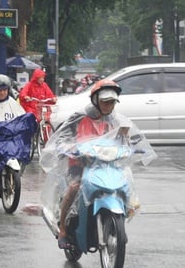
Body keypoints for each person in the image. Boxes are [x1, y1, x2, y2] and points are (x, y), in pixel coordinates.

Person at [50, 79, 133, 249]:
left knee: (126, 182)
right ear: (95, 99)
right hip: (80, 164)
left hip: (106, 164)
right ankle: (64, 229)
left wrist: (130, 143)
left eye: (111, 102)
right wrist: (69, 147)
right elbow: (62, 137)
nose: (108, 106)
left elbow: (126, 139)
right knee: (74, 187)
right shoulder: (80, 117)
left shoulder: (115, 119)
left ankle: (120, 223)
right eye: (104, 101)